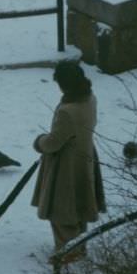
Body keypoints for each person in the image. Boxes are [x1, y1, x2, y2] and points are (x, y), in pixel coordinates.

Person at [31, 61, 105, 263]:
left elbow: (54, 142)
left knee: (62, 210)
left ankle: (68, 251)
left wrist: (39, 142)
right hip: (86, 155)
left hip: (66, 164)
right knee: (80, 203)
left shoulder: (68, 111)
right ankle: (79, 245)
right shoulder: (90, 99)